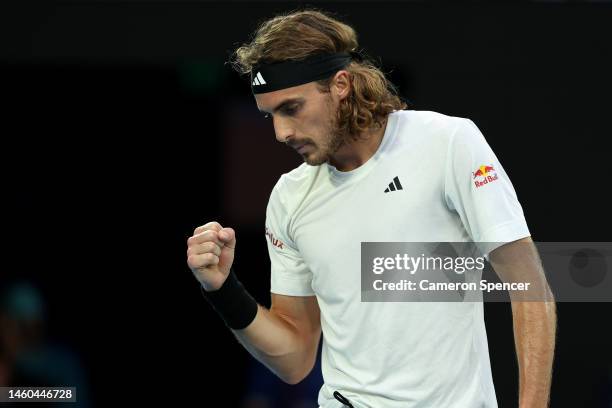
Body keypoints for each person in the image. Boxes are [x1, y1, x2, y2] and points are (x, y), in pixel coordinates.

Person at [186, 9, 556, 408]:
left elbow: (530, 288)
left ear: (340, 84)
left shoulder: (448, 143)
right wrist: (223, 290)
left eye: (291, 108)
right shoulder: (289, 197)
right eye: (269, 115)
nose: (281, 133)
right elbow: (294, 359)